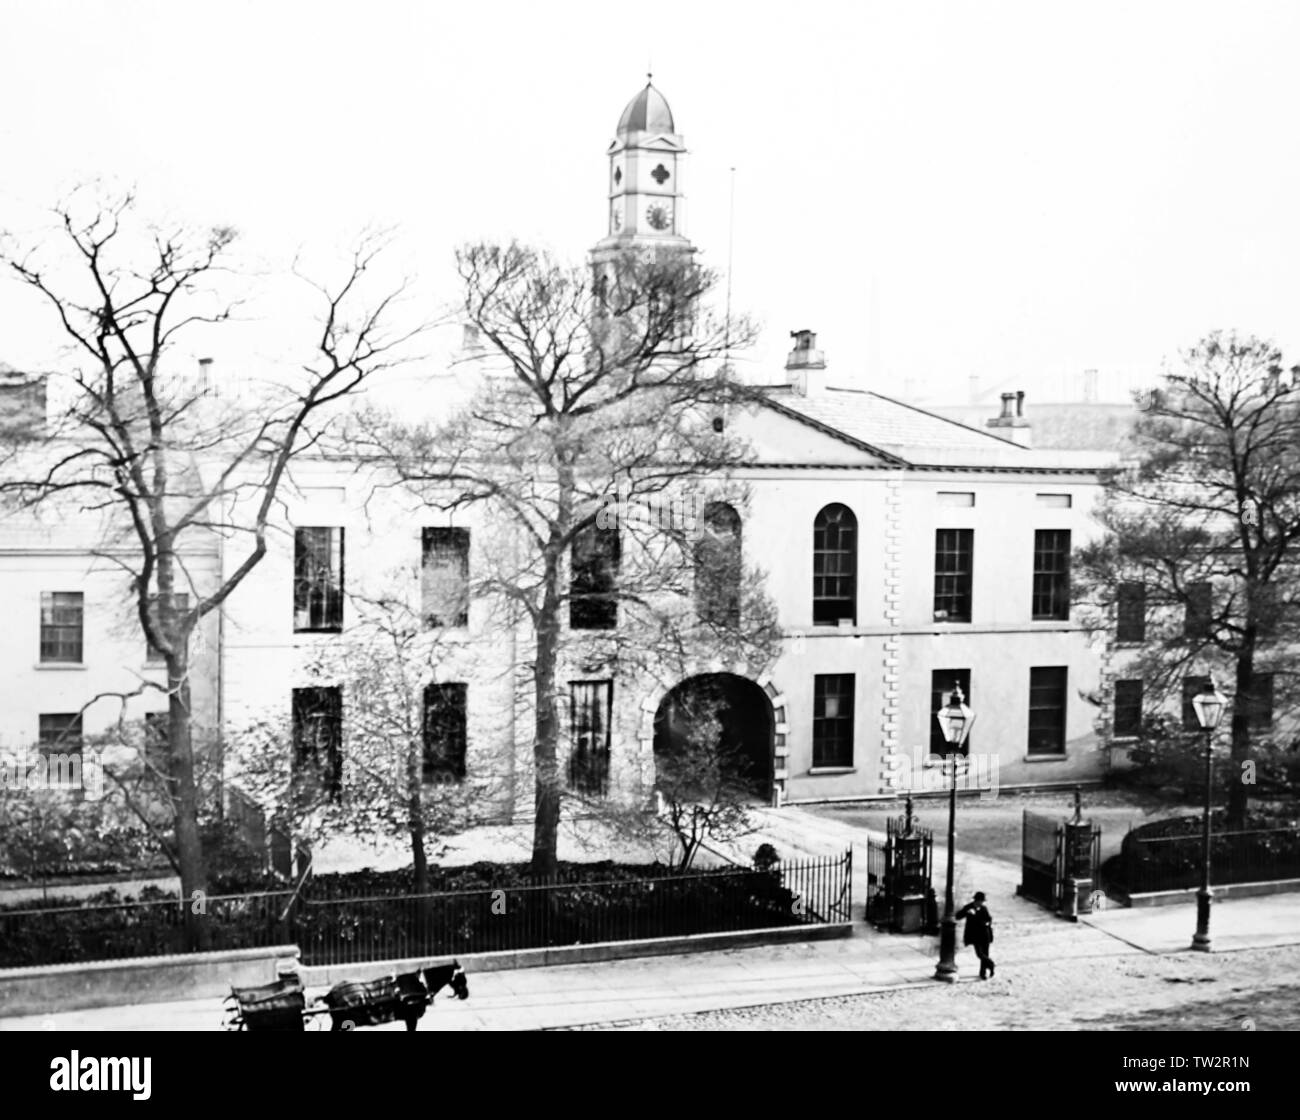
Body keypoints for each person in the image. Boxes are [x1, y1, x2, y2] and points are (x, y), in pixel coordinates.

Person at [955, 891, 995, 979]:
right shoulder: (969, 907)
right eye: (980, 901)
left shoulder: (984, 909)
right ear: (976, 900)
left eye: (982, 901)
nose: (981, 903)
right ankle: (991, 964)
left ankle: (983, 973)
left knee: (985, 953)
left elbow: (988, 920)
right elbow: (958, 916)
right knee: (980, 954)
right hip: (975, 936)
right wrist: (966, 912)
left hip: (985, 934)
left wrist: (980, 919)